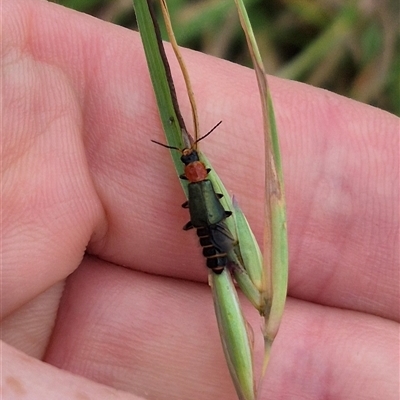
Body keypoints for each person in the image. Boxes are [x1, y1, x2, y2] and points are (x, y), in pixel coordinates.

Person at [2, 1, 399, 399]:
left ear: (195, 169)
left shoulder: (197, 185)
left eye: (192, 161)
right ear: (198, 170)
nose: (192, 160)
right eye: (192, 161)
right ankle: (217, 255)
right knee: (209, 224)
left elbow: (203, 208)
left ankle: (217, 255)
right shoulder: (200, 185)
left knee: (209, 224)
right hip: (213, 232)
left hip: (213, 235)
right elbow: (205, 208)